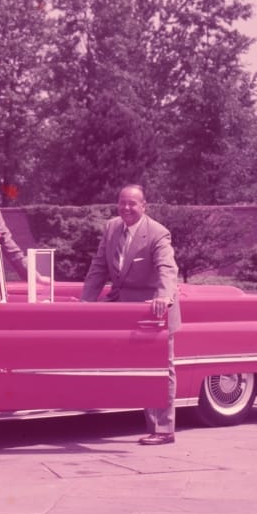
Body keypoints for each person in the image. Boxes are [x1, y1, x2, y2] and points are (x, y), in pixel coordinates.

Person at [81, 184, 179, 446]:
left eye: (132, 203)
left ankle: (164, 430)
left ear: (144, 206)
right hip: (123, 308)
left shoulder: (157, 233)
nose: (126, 208)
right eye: (122, 202)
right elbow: (99, 267)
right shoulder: (112, 227)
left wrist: (164, 297)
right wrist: (85, 302)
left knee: (160, 369)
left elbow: (167, 268)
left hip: (154, 310)